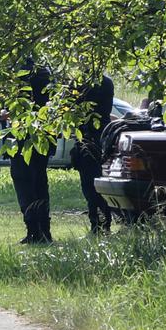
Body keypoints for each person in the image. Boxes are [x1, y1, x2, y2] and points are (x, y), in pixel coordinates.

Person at [7, 61, 53, 245]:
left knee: (25, 182)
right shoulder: (44, 71)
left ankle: (35, 229)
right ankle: (41, 230)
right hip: (40, 137)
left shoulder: (19, 74)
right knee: (38, 182)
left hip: (24, 137)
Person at [70, 74, 114, 235]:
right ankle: (103, 224)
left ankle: (98, 226)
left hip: (87, 138)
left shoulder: (79, 83)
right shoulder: (107, 82)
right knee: (101, 185)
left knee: (90, 186)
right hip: (103, 137)